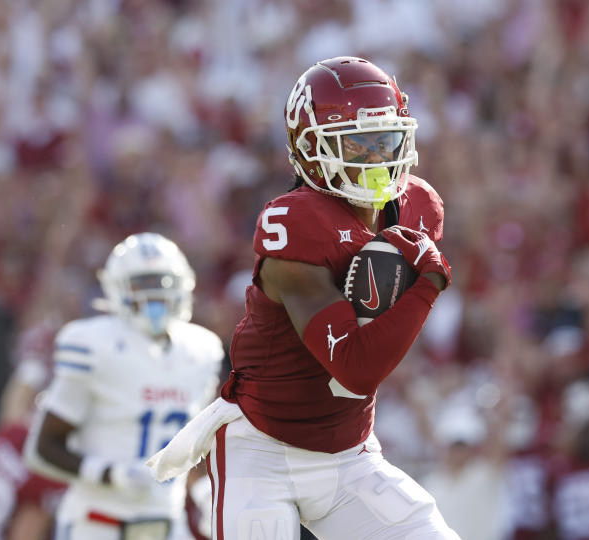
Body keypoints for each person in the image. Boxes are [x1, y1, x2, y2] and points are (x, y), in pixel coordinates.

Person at [148, 56, 458, 540]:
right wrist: (428, 285)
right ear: (309, 149)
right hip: (263, 451)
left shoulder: (417, 206)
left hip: (349, 454)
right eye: (359, 143)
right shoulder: (295, 224)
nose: (378, 159)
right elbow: (355, 366)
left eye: (387, 141)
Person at [23, 232, 224, 540]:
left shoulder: (200, 351)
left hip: (168, 526)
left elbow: (193, 448)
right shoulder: (93, 346)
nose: (155, 296)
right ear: (117, 288)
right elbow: (42, 449)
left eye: (164, 284)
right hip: (97, 524)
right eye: (143, 285)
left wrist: (207, 494)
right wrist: (111, 474)